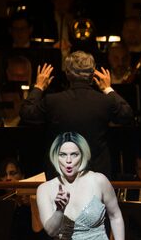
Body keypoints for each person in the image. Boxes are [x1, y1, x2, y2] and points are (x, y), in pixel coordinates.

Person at [20, 50, 134, 179]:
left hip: (61, 178)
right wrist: (108, 88)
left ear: (67, 74)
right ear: (92, 75)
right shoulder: (105, 101)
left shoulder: (52, 101)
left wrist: (38, 86)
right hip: (96, 179)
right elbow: (126, 114)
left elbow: (26, 113)